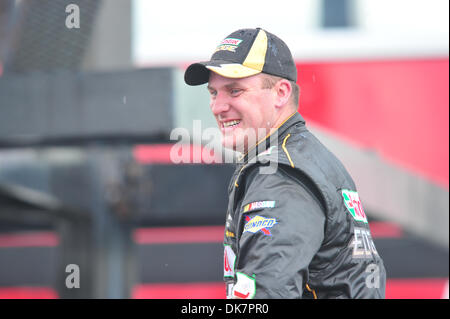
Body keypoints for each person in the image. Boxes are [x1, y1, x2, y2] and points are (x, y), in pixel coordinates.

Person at [184, 27, 386, 299]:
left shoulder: (281, 175)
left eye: (234, 91)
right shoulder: (306, 158)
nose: (218, 107)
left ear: (281, 93)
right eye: (213, 93)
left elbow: (266, 296)